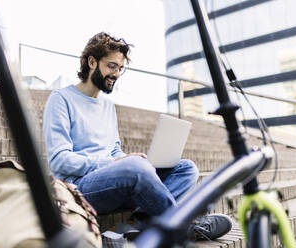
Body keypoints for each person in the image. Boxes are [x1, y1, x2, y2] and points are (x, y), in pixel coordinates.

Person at [43, 32, 232, 241]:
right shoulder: (61, 99)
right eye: (111, 66)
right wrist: (117, 163)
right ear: (91, 62)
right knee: (136, 168)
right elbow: (59, 160)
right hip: (79, 189)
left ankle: (134, 225)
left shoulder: (107, 106)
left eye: (120, 69)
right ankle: (186, 227)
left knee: (186, 169)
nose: (116, 74)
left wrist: (127, 158)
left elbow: (113, 149)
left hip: (114, 184)